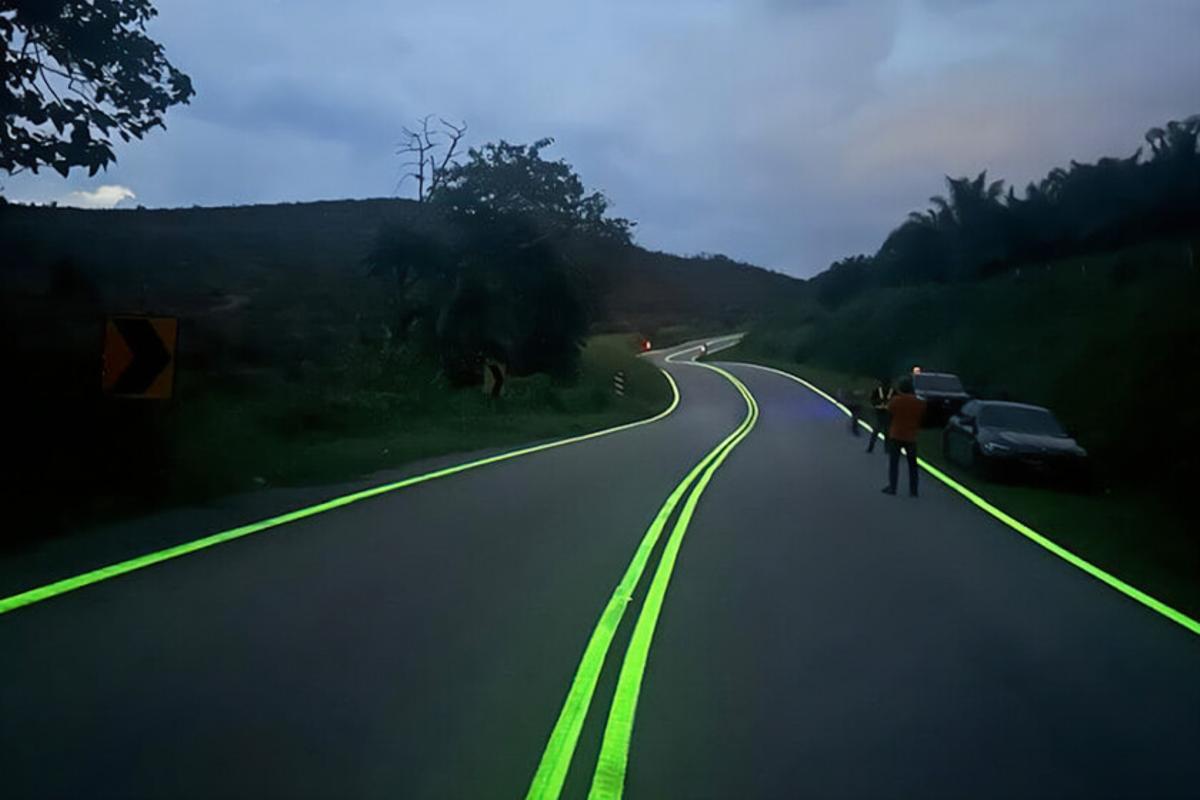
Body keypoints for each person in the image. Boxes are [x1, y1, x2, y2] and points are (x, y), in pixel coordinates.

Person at [882, 376, 926, 497]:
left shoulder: (895, 401)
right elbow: (922, 418)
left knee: (894, 463)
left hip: (896, 434)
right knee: (912, 465)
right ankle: (913, 490)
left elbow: (889, 416)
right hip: (911, 436)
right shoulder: (919, 402)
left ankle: (893, 487)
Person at [865, 377, 893, 453]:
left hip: (883, 414)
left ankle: (871, 447)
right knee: (886, 432)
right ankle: (886, 449)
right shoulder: (892, 392)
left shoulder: (878, 391)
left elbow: (872, 401)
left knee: (879, 431)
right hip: (885, 414)